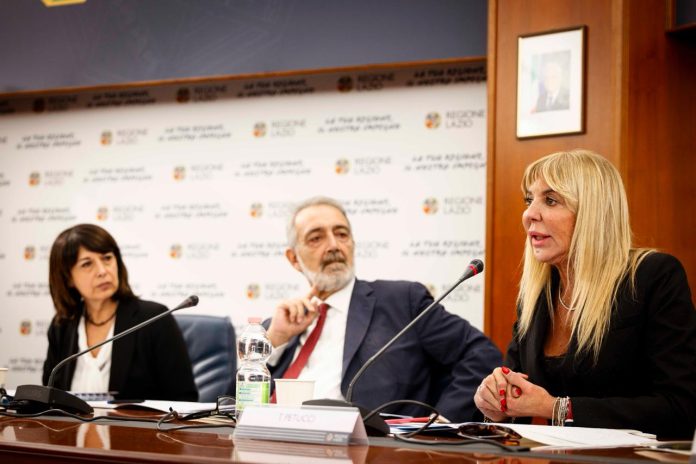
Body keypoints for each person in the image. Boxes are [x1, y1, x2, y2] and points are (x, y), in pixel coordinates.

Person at [474, 150, 696, 438]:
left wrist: (558, 408)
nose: (529, 214)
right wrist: (496, 403)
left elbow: (679, 408)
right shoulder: (538, 294)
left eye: (550, 200)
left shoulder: (652, 277)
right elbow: (517, 395)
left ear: (593, 213)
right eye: (529, 200)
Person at [265, 197, 501, 421]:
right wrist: (275, 340)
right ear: (293, 258)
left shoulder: (402, 302)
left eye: (341, 234)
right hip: (278, 441)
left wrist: (440, 425)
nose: (333, 246)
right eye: (316, 238)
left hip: (369, 444)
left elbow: (481, 355)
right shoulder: (277, 329)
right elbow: (244, 401)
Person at [42, 224, 198, 401]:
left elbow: (184, 399)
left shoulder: (154, 319)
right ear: (68, 278)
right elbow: (49, 398)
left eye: (107, 258)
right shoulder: (62, 325)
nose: (102, 271)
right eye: (87, 264)